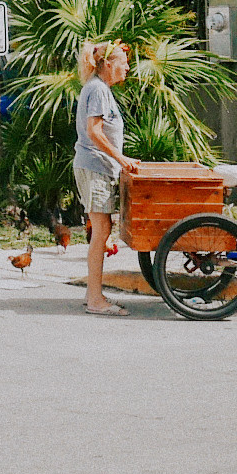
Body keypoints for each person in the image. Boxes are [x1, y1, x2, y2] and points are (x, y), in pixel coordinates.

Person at [74, 40, 138, 314]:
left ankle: (93, 296)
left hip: (97, 166)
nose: (127, 68)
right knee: (100, 233)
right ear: (108, 64)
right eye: (123, 63)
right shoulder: (98, 90)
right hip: (95, 165)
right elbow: (95, 131)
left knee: (101, 232)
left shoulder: (100, 89)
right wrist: (121, 158)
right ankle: (96, 300)